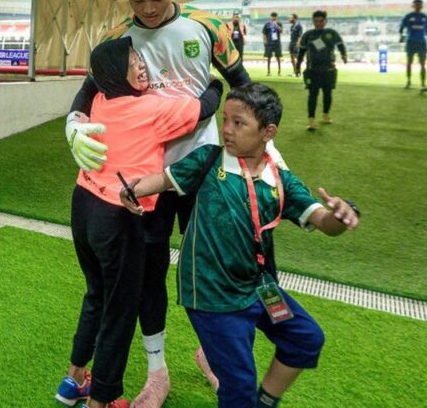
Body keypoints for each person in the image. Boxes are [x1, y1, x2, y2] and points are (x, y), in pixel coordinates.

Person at [65, 0, 285, 407]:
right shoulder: (116, 37)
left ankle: (213, 354)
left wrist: (265, 143)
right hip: (148, 181)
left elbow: (242, 85)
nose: (147, 8)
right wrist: (73, 127)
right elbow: (86, 94)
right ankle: (156, 372)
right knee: (148, 273)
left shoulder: (207, 26)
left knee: (224, 264)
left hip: (207, 168)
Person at [120, 83, 359, 408]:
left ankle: (264, 402)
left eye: (239, 122)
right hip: (211, 295)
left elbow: (323, 222)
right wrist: (133, 190)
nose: (227, 130)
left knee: (306, 339)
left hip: (258, 288)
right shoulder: (208, 160)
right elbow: (162, 180)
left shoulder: (280, 181)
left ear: (268, 132)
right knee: (238, 386)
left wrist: (342, 214)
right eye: (225, 120)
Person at [58, 37, 224, 408]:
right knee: (120, 312)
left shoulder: (101, 100)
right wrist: (215, 83)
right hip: (117, 218)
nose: (142, 64)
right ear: (117, 72)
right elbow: (204, 108)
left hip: (82, 206)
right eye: (133, 60)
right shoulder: (152, 108)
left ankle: (73, 380)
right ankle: (102, 401)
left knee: (96, 294)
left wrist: (72, 120)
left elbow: (87, 91)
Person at [295, 10, 347, 131]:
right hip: (312, 71)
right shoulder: (308, 35)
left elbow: (340, 45)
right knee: (312, 95)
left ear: (325, 21)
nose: (318, 23)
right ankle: (311, 121)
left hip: (329, 70)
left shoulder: (332, 33)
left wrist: (344, 55)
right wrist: (297, 66)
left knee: (327, 94)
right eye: (316, 21)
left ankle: (326, 114)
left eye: (321, 21)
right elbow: (301, 52)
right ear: (313, 22)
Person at [399, 0, 427, 92]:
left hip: (421, 43)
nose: (418, 6)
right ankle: (408, 81)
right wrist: (401, 36)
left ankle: (423, 84)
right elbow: (401, 27)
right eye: (416, 5)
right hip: (411, 42)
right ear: (413, 6)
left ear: (422, 6)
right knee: (409, 62)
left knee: (423, 64)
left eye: (419, 5)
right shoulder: (408, 16)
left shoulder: (424, 17)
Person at [262, 12, 284, 77]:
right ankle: (268, 72)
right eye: (272, 16)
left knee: (278, 57)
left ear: (276, 17)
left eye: (275, 16)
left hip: (277, 43)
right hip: (269, 43)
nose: (273, 18)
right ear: (270, 17)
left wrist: (276, 25)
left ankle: (279, 72)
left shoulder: (279, 23)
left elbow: (281, 31)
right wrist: (264, 41)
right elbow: (264, 33)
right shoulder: (267, 24)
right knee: (269, 57)